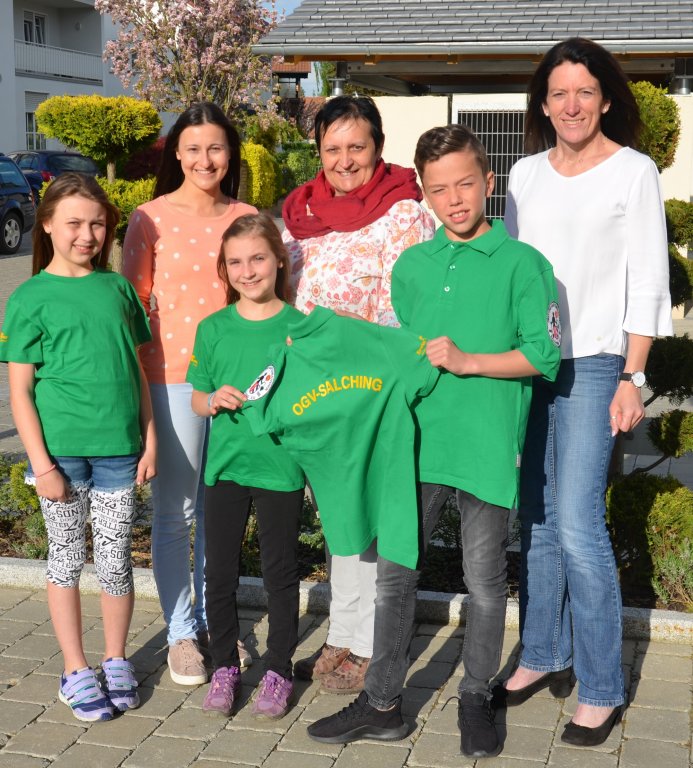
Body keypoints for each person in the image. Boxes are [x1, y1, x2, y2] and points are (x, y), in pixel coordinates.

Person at [306, 124, 561, 759]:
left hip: (484, 448)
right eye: (439, 189)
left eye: (465, 185)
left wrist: (472, 362)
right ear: (424, 195)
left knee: (483, 582)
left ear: (488, 184)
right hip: (414, 447)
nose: (454, 199)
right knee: (395, 577)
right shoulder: (412, 266)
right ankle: (383, 702)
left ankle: (477, 695)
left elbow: (544, 354)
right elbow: (396, 356)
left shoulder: (525, 265)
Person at [500, 37, 672, 747]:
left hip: (598, 362)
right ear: (542, 103)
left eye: (584, 91)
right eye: (558, 92)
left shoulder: (632, 173)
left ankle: (600, 685)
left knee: (575, 523)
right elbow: (509, 276)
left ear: (604, 98)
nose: (570, 104)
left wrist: (633, 376)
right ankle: (542, 651)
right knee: (534, 522)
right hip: (530, 366)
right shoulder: (523, 175)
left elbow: (647, 279)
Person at [283, 94, 435, 693]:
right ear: (318, 152)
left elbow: (407, 313)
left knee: (371, 521)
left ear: (377, 147)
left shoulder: (404, 212)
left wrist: (375, 385)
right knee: (339, 521)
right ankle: (342, 633)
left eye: (357, 147)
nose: (345, 160)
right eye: (332, 148)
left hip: (373, 393)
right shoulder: (297, 214)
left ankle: (371, 644)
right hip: (316, 396)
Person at [0, 173, 156, 722]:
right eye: (74, 223)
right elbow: (19, 391)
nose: (87, 234)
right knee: (66, 560)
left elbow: (137, 369)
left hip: (119, 451)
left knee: (115, 562)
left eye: (97, 223)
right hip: (61, 456)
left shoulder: (116, 289)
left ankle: (115, 659)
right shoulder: (30, 297)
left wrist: (151, 436)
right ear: (46, 225)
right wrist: (40, 465)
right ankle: (74, 668)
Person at [123, 102, 256, 686]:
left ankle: (215, 624)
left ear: (231, 153)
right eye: (194, 148)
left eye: (217, 148)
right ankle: (181, 633)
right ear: (176, 152)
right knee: (177, 514)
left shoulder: (248, 215)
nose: (206, 160)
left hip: (236, 385)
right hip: (171, 379)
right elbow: (129, 313)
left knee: (222, 513)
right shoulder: (147, 219)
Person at [187, 213, 305, 720]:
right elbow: (195, 398)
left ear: (279, 260)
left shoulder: (300, 328)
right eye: (235, 262)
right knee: (220, 573)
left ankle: (279, 669)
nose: (248, 270)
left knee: (281, 574)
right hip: (226, 470)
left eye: (258, 258)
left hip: (281, 470)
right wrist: (212, 398)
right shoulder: (212, 328)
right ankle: (224, 667)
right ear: (224, 268)